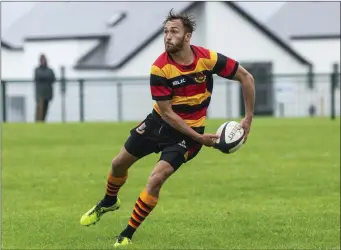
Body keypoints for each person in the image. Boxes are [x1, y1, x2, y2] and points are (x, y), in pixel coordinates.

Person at [80, 9, 255, 247]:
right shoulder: (159, 68)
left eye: (174, 31)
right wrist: (200, 137)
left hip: (187, 136)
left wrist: (248, 119)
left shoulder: (207, 59)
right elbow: (168, 113)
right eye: (165, 32)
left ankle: (127, 234)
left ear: (187, 36)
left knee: (156, 179)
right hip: (160, 123)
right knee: (118, 163)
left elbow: (247, 78)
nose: (167, 36)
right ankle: (109, 201)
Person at [34, 54, 56, 122]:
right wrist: (47, 77)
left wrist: (45, 78)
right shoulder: (37, 70)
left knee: (45, 110)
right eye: (42, 60)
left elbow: (53, 78)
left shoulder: (50, 70)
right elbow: (39, 76)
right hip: (40, 94)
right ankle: (39, 122)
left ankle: (43, 122)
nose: (43, 61)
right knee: (40, 111)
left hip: (48, 94)